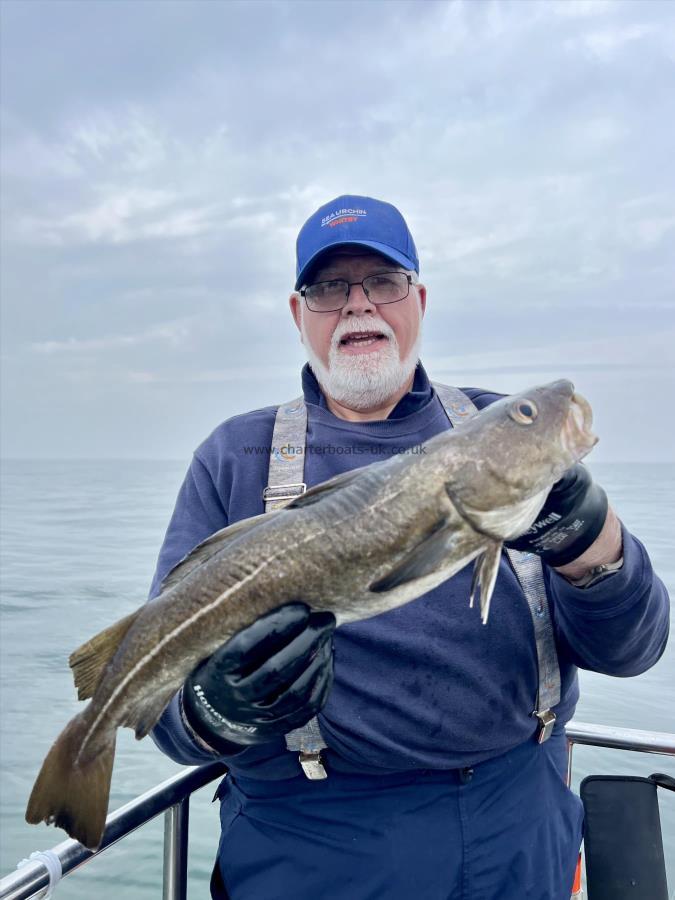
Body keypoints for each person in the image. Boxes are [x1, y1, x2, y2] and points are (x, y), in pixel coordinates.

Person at [149, 195, 670, 900]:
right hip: (313, 851)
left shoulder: (506, 438)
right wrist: (215, 709)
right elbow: (167, 716)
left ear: (418, 300)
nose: (357, 305)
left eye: (383, 283)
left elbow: (632, 650)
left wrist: (592, 543)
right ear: (298, 316)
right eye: (329, 288)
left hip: (519, 834)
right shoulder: (235, 458)